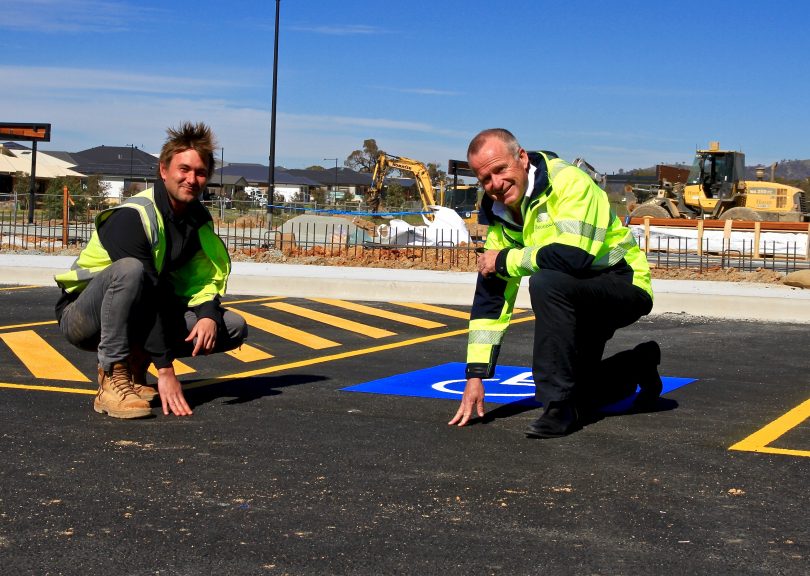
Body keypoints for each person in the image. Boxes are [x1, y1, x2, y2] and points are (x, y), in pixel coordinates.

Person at [448, 128, 660, 438]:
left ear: (521, 158)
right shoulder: (497, 213)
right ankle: (639, 362)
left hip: (621, 284)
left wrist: (506, 259)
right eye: (485, 179)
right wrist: (476, 375)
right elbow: (491, 293)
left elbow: (574, 257)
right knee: (587, 393)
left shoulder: (570, 183)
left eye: (500, 169)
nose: (495, 184)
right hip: (572, 294)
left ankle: (558, 406)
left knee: (546, 281)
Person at [54, 122, 247, 419]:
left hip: (140, 312)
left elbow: (199, 279)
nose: (191, 179)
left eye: (200, 172)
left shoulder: (196, 218)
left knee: (231, 326)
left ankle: (134, 367)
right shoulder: (133, 216)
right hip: (84, 316)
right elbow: (147, 293)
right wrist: (166, 370)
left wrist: (208, 313)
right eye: (183, 169)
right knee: (130, 270)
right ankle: (112, 376)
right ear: (163, 170)